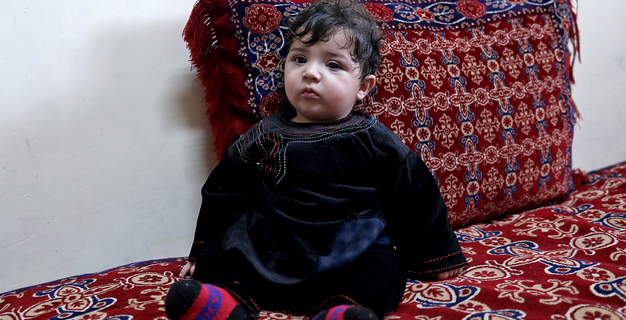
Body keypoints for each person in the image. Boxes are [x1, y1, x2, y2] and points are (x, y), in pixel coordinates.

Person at [165, 0, 468, 319]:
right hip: (266, 252)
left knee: (387, 267)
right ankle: (225, 307)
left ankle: (340, 312)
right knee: (217, 258)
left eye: (333, 65)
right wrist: (201, 249)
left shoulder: (373, 139)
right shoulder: (263, 135)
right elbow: (223, 192)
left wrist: (438, 256)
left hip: (346, 256)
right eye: (299, 59)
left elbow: (417, 194)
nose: (310, 73)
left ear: (363, 87)